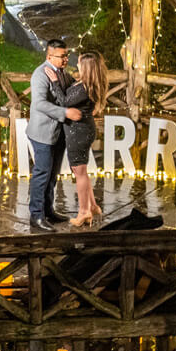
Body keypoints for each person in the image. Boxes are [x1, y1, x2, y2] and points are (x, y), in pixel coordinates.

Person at [27, 38, 79, 232]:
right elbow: (40, 103)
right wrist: (65, 113)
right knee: (42, 174)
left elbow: (69, 94)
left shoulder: (63, 74)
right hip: (42, 133)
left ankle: (48, 211)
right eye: (62, 56)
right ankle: (36, 217)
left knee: (52, 175)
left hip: (59, 133)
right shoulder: (40, 74)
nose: (66, 59)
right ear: (49, 56)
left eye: (67, 55)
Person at [54, 52, 107, 227]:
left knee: (80, 172)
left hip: (79, 132)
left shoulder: (85, 88)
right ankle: (92, 206)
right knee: (80, 171)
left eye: (80, 62)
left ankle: (84, 212)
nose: (77, 62)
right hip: (80, 130)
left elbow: (63, 102)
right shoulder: (85, 83)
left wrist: (54, 82)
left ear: (87, 68)